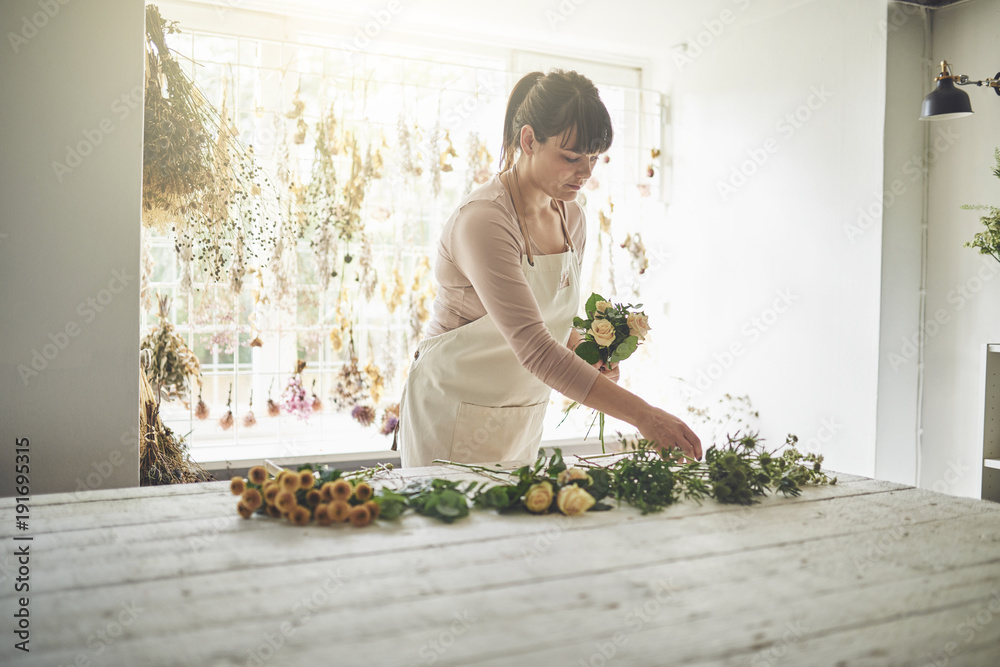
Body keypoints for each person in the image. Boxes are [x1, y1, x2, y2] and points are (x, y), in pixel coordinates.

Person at [396, 69, 701, 467]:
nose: (586, 172)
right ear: (529, 140)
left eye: (593, 158)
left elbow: (548, 323)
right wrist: (644, 415)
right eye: (572, 157)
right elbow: (536, 348)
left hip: (519, 416)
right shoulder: (484, 221)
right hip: (451, 412)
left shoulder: (572, 217)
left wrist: (583, 348)